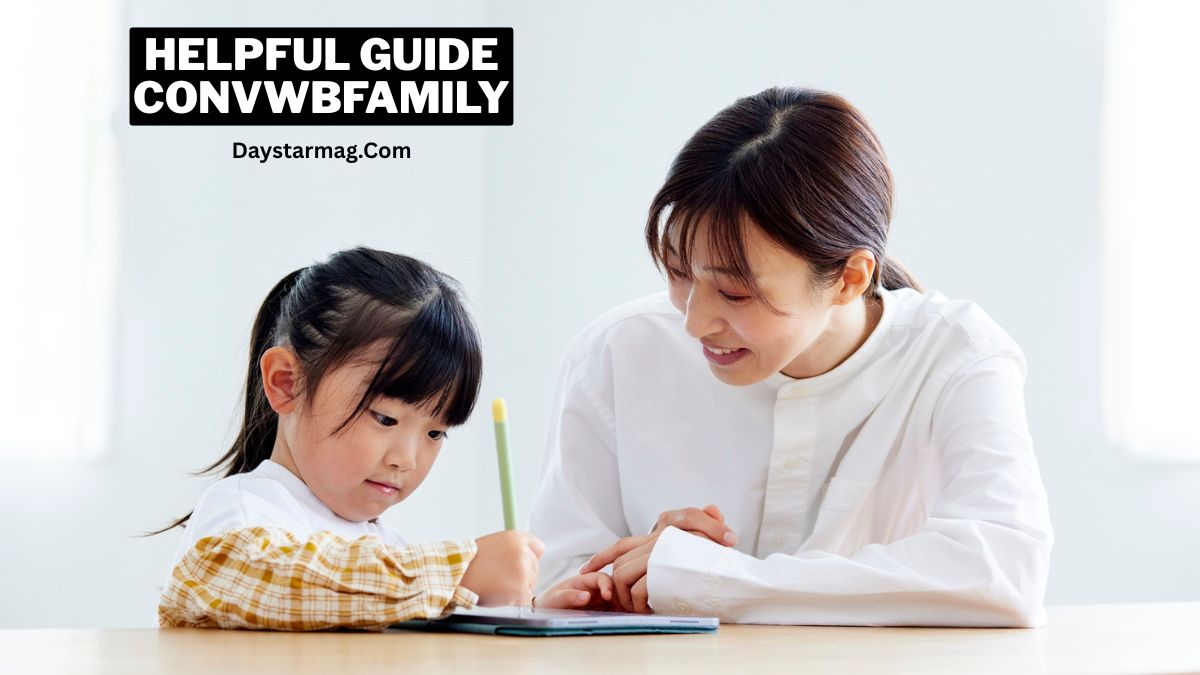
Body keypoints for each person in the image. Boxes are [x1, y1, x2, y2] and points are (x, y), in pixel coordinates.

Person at [529, 87, 1053, 627]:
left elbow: (1003, 574)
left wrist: (708, 579)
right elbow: (556, 579)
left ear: (849, 279)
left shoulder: (955, 355)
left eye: (735, 293)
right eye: (679, 272)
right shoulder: (620, 350)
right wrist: (624, 582)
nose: (694, 322)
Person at [157, 247, 614, 630]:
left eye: (435, 432)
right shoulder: (245, 511)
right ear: (286, 383)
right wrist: (460, 574)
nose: (407, 459)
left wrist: (523, 609)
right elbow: (254, 578)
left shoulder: (388, 549)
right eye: (385, 418)